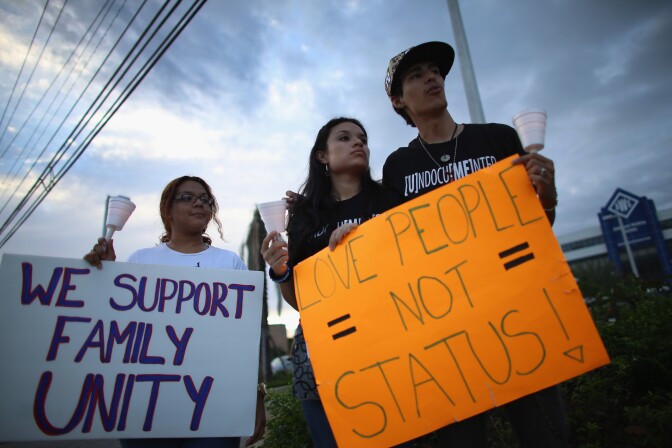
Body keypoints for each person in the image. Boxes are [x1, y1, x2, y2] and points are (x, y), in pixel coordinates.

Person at [382, 41, 567, 447]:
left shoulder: (498, 139)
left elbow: (538, 228)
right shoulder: (398, 166)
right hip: (450, 334)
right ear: (398, 100)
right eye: (416, 75)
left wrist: (547, 196)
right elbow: (397, 250)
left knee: (546, 436)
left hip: (520, 318)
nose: (432, 77)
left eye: (435, 70)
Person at [84, 175, 266, 448]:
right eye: (188, 197)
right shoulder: (140, 260)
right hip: (147, 405)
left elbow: (244, 340)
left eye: (205, 200)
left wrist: (256, 397)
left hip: (215, 403)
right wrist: (104, 276)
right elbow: (118, 329)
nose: (199, 204)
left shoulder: (230, 262)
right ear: (167, 209)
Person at [259, 117, 401, 447]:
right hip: (324, 350)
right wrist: (281, 271)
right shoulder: (305, 216)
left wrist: (362, 242)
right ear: (322, 156)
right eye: (345, 137)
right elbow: (301, 301)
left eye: (363, 139)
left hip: (390, 342)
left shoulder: (389, 200)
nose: (359, 143)